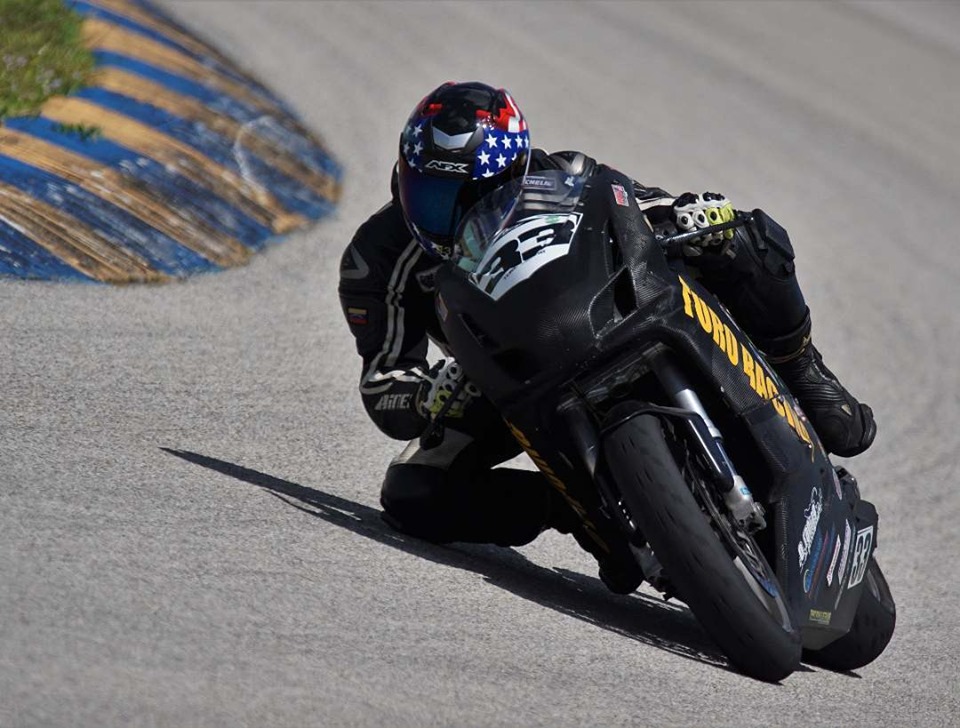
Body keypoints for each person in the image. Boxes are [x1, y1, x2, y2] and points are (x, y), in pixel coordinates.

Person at [338, 81, 876, 591]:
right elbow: (384, 384)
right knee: (413, 493)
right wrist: (430, 392)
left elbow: (642, 208)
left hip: (620, 308)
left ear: (516, 170)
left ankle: (803, 369)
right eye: (432, 196)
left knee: (744, 237)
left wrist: (692, 214)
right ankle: (573, 508)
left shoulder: (569, 173)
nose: (452, 218)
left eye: (475, 196)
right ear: (403, 180)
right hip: (504, 377)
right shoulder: (376, 260)